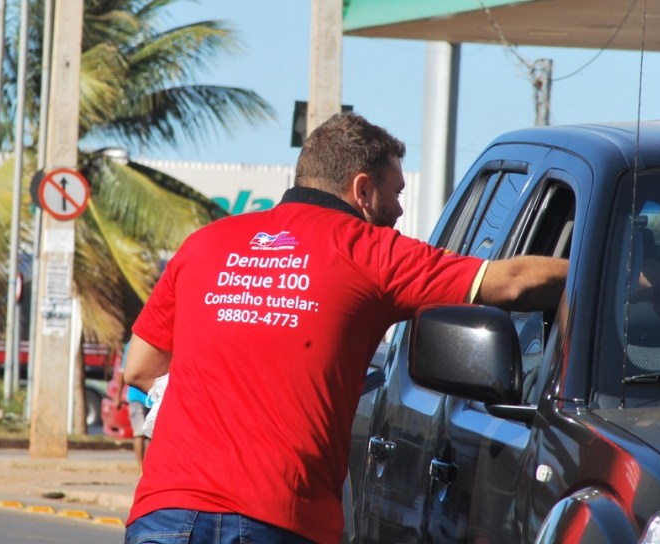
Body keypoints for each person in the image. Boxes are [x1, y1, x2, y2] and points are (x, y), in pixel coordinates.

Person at [123, 112, 569, 544]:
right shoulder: (371, 252)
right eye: (395, 192)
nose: (398, 209)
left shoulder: (205, 244)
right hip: (277, 520)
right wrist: (620, 271)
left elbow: (140, 367)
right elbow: (512, 283)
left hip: (164, 514)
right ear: (362, 190)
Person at [115, 341, 152, 467]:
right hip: (151, 394)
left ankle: (142, 469)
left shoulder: (132, 344)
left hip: (141, 395)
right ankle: (145, 469)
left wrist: (118, 396)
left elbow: (123, 372)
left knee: (140, 433)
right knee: (149, 434)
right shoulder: (158, 341)